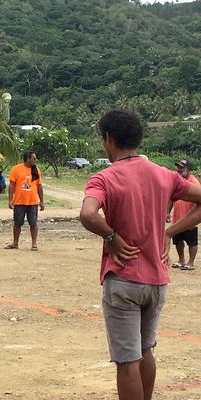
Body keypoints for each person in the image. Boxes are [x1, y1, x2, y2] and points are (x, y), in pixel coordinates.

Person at [80, 108, 201, 400]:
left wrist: (111, 236)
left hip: (124, 279)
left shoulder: (105, 177)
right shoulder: (164, 174)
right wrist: (169, 232)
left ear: (109, 139)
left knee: (127, 361)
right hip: (157, 280)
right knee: (146, 350)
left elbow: (87, 213)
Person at [5, 151, 44, 250]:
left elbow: (39, 186)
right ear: (28, 159)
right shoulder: (16, 169)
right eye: (34, 158)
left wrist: (41, 201)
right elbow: (12, 185)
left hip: (32, 202)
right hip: (19, 202)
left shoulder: (36, 170)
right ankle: (15, 243)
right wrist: (10, 200)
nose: (35, 160)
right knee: (17, 223)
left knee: (33, 223)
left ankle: (34, 244)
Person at [168, 159, 200, 271]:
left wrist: (193, 217)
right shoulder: (177, 182)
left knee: (191, 242)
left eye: (182, 167)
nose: (179, 169)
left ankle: (190, 262)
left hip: (189, 219)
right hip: (177, 217)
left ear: (188, 169)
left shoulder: (194, 182)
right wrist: (167, 213)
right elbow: (172, 199)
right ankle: (181, 260)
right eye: (179, 167)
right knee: (178, 241)